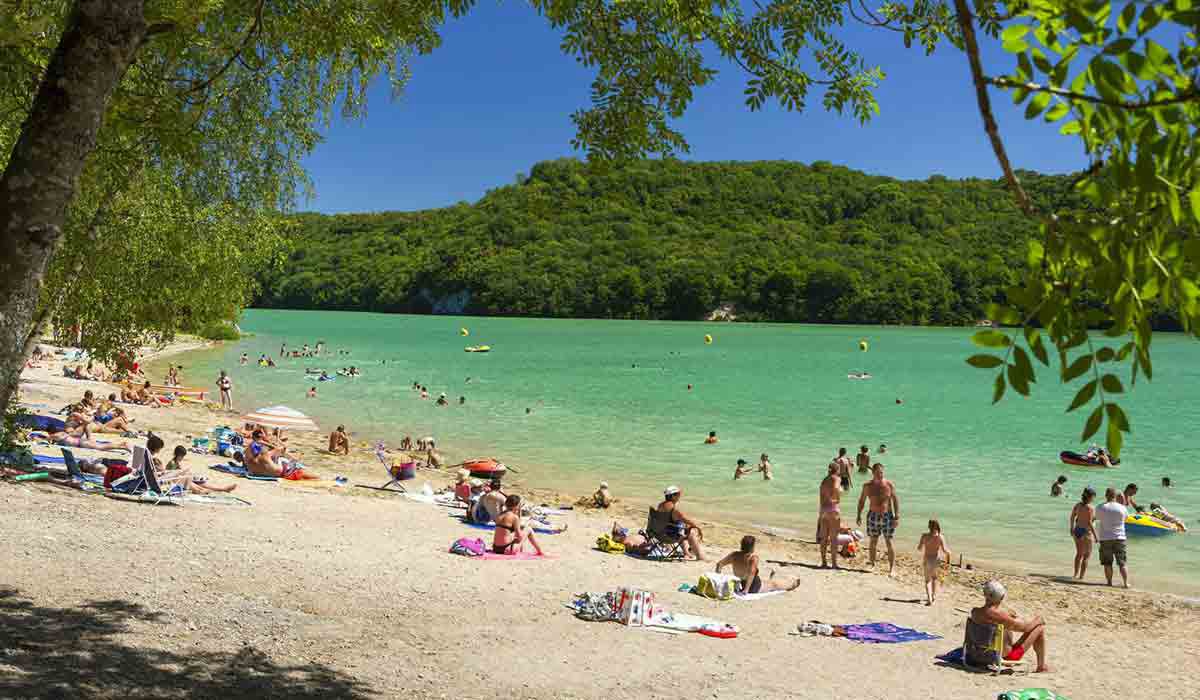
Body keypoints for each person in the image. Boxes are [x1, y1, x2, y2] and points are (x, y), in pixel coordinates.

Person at [966, 580, 1050, 673]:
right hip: (1000, 656)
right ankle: (1041, 666)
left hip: (976, 653)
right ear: (1002, 597)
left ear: (985, 594)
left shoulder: (975, 612)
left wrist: (1008, 617)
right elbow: (1026, 628)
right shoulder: (1002, 617)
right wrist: (1038, 620)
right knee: (1040, 628)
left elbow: (990, 616)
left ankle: (1041, 666)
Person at [715, 535, 801, 594]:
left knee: (768, 582)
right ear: (752, 547)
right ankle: (794, 583)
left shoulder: (734, 555)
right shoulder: (753, 558)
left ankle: (773, 577)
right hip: (753, 586)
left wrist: (718, 581)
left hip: (737, 584)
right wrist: (746, 590)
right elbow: (752, 574)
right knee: (774, 585)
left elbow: (719, 564)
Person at [856, 462, 900, 576]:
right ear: (873, 472)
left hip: (887, 516)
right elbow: (862, 501)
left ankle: (892, 568)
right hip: (873, 515)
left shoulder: (889, 484)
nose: (880, 474)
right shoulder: (867, 486)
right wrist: (859, 515)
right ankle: (872, 565)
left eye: (882, 472)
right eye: (878, 472)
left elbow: (895, 500)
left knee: (889, 542)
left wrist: (897, 517)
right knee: (873, 541)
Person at [244, 429, 320, 480]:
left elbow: (256, 447)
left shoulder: (247, 454)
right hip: (280, 473)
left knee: (281, 458)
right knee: (301, 471)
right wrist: (272, 443)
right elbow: (280, 449)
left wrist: (266, 442)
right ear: (261, 437)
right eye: (264, 435)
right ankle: (319, 478)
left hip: (256, 472)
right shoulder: (265, 455)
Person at [656, 486, 706, 561]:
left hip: (659, 533)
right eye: (678, 494)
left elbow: (681, 520)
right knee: (691, 532)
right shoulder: (674, 510)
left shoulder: (660, 505)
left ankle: (686, 553)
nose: (680, 496)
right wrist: (698, 528)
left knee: (684, 528)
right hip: (669, 536)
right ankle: (700, 557)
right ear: (673, 496)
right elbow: (686, 520)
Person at [1095, 487, 1130, 588]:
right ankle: (1125, 583)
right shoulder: (1122, 508)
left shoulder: (1101, 507)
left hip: (1105, 538)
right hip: (1120, 537)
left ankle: (1109, 582)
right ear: (1115, 496)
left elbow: (1096, 518)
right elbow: (1126, 518)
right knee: (1122, 563)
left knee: (1107, 563)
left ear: (1106, 495)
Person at [916, 520, 951, 605]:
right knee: (934, 578)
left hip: (927, 559)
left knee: (927, 580)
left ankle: (929, 598)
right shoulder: (940, 537)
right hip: (936, 559)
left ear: (929, 526)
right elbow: (945, 550)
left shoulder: (924, 536)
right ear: (937, 526)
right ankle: (934, 596)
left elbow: (919, 548)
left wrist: (924, 545)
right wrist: (949, 553)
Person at [1069, 487, 1098, 580]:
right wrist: (1096, 536)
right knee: (1086, 555)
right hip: (1086, 532)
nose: (1094, 499)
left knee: (1079, 554)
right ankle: (1081, 576)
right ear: (1091, 497)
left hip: (1077, 530)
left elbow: (1072, 516)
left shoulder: (1077, 505)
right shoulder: (1090, 507)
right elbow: (1089, 522)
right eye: (1093, 497)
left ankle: (1075, 574)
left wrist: (1071, 528)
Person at [818, 463, 842, 569]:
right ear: (837, 470)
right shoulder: (836, 478)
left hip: (823, 509)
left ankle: (824, 562)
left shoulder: (824, 479)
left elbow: (821, 495)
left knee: (824, 538)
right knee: (834, 538)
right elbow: (836, 488)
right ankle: (834, 564)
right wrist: (837, 499)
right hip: (832, 508)